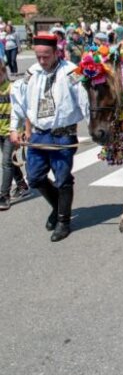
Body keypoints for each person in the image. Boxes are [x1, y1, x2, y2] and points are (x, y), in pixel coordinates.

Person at [10, 34, 89, 241]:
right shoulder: (32, 73)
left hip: (63, 135)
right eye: (38, 57)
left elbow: (85, 101)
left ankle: (64, 221)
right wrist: (14, 128)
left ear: (56, 53)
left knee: (63, 179)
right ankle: (57, 207)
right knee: (34, 177)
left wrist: (94, 128)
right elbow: (19, 100)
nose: (42, 61)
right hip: (38, 134)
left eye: (46, 56)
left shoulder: (72, 71)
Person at [0, 60, 29, 210]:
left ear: (4, 72)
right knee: (9, 161)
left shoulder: (12, 89)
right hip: (0, 131)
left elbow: (22, 111)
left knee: (5, 162)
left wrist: (23, 131)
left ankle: (4, 196)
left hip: (10, 132)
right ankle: (22, 185)